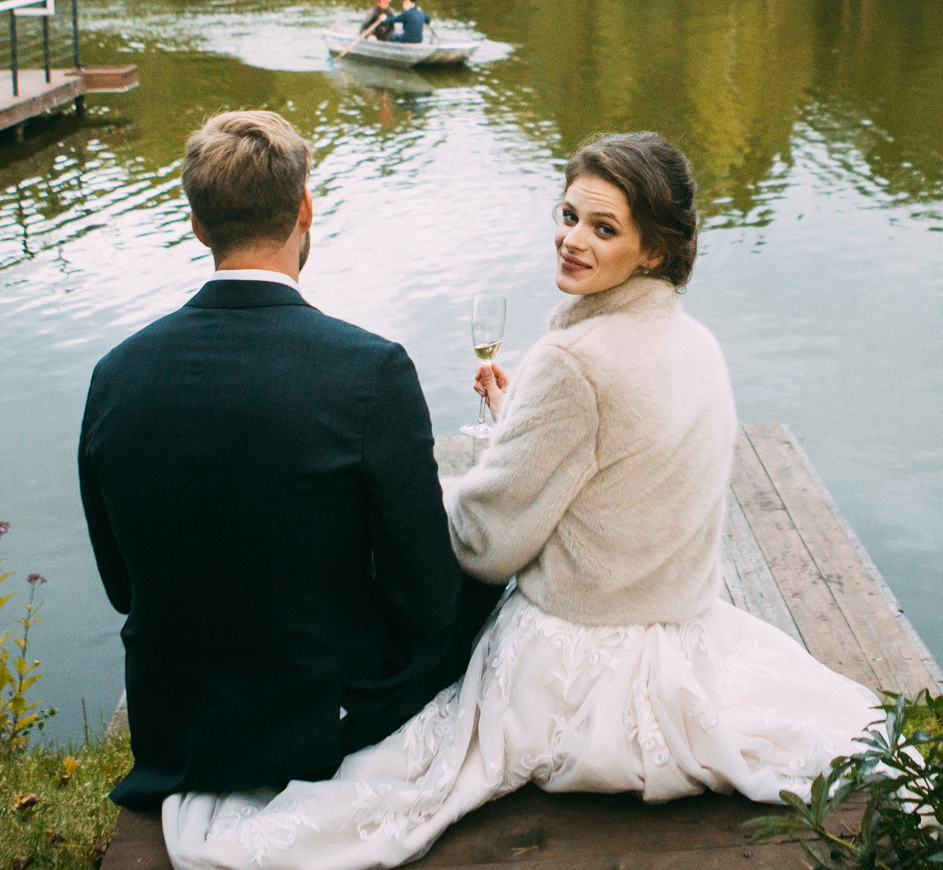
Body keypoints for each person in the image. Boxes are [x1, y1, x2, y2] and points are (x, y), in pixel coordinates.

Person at [164, 132, 881, 870]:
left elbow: (485, 544)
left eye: (604, 229)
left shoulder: (573, 362)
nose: (572, 240)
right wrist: (523, 425)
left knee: (404, 770)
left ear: (655, 250)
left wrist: (422, 495)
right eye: (568, 215)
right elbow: (619, 469)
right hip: (681, 627)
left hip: (579, 657)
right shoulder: (694, 343)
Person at [80, 111, 500, 854]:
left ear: (196, 225)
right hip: (313, 717)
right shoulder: (370, 371)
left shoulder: (116, 374)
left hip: (177, 720)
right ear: (305, 208)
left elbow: (123, 586)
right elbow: (426, 602)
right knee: (485, 596)